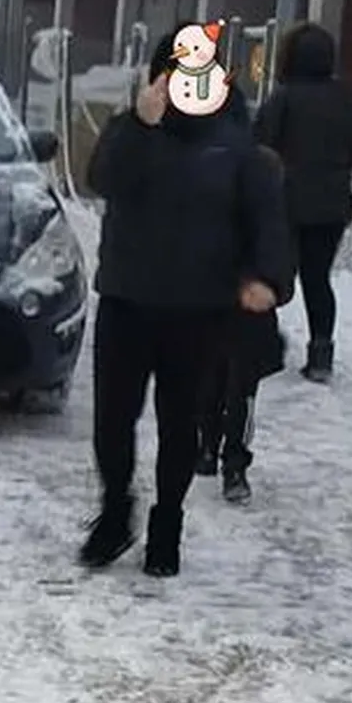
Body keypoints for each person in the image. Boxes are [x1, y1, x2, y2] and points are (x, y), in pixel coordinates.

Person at [82, 31, 292, 579]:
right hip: (127, 299)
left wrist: (264, 278)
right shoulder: (133, 130)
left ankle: (167, 526)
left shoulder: (235, 142)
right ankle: (114, 510)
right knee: (112, 421)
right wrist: (139, 123)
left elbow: (265, 219)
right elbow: (102, 178)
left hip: (199, 308)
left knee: (182, 423)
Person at [255, 20, 352, 383]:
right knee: (318, 280)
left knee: (270, 274)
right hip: (333, 204)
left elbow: (261, 145)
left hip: (286, 203)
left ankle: (266, 344)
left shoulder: (284, 98)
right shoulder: (347, 98)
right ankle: (321, 355)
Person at [197, 145, 290, 504]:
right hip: (215, 300)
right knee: (211, 379)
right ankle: (211, 447)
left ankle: (232, 460)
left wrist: (269, 285)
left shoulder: (267, 199)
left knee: (238, 386)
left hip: (247, 304)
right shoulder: (208, 191)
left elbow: (278, 250)